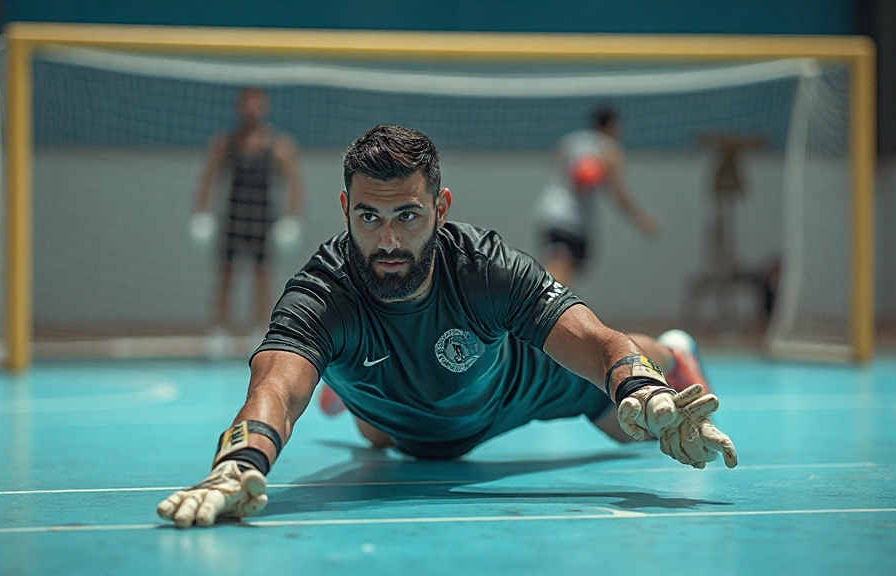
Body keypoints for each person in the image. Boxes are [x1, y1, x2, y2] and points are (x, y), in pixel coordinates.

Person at [157, 125, 735, 528]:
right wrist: (238, 465)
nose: (387, 240)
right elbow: (274, 391)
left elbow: (594, 338)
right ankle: (353, 392)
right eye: (369, 217)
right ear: (344, 210)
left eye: (407, 216)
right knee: (383, 435)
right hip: (406, 426)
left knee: (622, 428)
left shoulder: (484, 270)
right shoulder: (322, 294)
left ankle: (674, 347)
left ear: (441, 207)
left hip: (514, 391)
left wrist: (643, 386)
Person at [195, 87, 305, 340]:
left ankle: (261, 330)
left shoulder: (279, 145)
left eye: (257, 104)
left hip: (263, 217)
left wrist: (291, 220)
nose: (252, 109)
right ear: (239, 107)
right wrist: (202, 215)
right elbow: (207, 180)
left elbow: (295, 185)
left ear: (265, 107)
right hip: (233, 216)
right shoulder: (225, 142)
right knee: (225, 275)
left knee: (263, 277)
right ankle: (218, 333)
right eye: (247, 103)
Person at [533, 106, 660, 287]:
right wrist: (642, 218)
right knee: (560, 268)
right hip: (570, 218)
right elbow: (618, 193)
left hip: (549, 211)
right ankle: (543, 309)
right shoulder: (610, 151)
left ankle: (543, 305)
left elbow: (556, 169)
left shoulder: (570, 141)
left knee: (564, 266)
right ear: (611, 125)